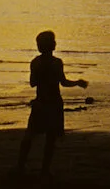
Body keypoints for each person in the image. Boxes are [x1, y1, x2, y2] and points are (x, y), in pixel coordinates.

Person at [16, 30, 88, 176]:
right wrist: (77, 83)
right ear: (51, 45)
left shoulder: (35, 62)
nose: (55, 43)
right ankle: (44, 170)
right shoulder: (57, 63)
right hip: (53, 104)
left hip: (40, 103)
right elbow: (63, 82)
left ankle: (20, 166)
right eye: (53, 41)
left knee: (29, 136)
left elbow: (32, 83)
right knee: (50, 139)